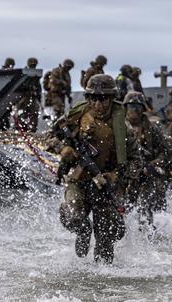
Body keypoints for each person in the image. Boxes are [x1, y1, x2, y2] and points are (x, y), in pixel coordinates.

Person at [54, 74, 140, 264]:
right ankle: (83, 231)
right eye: (93, 98)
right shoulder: (76, 116)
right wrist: (63, 149)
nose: (98, 104)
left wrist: (116, 176)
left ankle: (103, 284)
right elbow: (51, 136)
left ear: (111, 99)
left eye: (103, 99)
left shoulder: (123, 129)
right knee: (71, 216)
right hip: (80, 180)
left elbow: (136, 161)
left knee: (108, 238)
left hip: (105, 187)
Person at [123, 91, 172, 227]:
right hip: (125, 175)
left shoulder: (151, 128)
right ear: (125, 108)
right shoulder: (119, 127)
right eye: (131, 106)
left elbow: (166, 152)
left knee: (144, 208)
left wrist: (152, 164)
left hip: (146, 174)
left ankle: (148, 241)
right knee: (123, 209)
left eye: (137, 107)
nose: (134, 110)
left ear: (143, 109)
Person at [14, 57, 42, 132]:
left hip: (32, 97)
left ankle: (32, 129)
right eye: (32, 65)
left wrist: (39, 97)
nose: (33, 66)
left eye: (34, 65)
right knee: (21, 113)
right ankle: (20, 128)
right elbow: (19, 86)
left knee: (35, 112)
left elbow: (38, 87)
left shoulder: (36, 75)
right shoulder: (23, 74)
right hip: (23, 97)